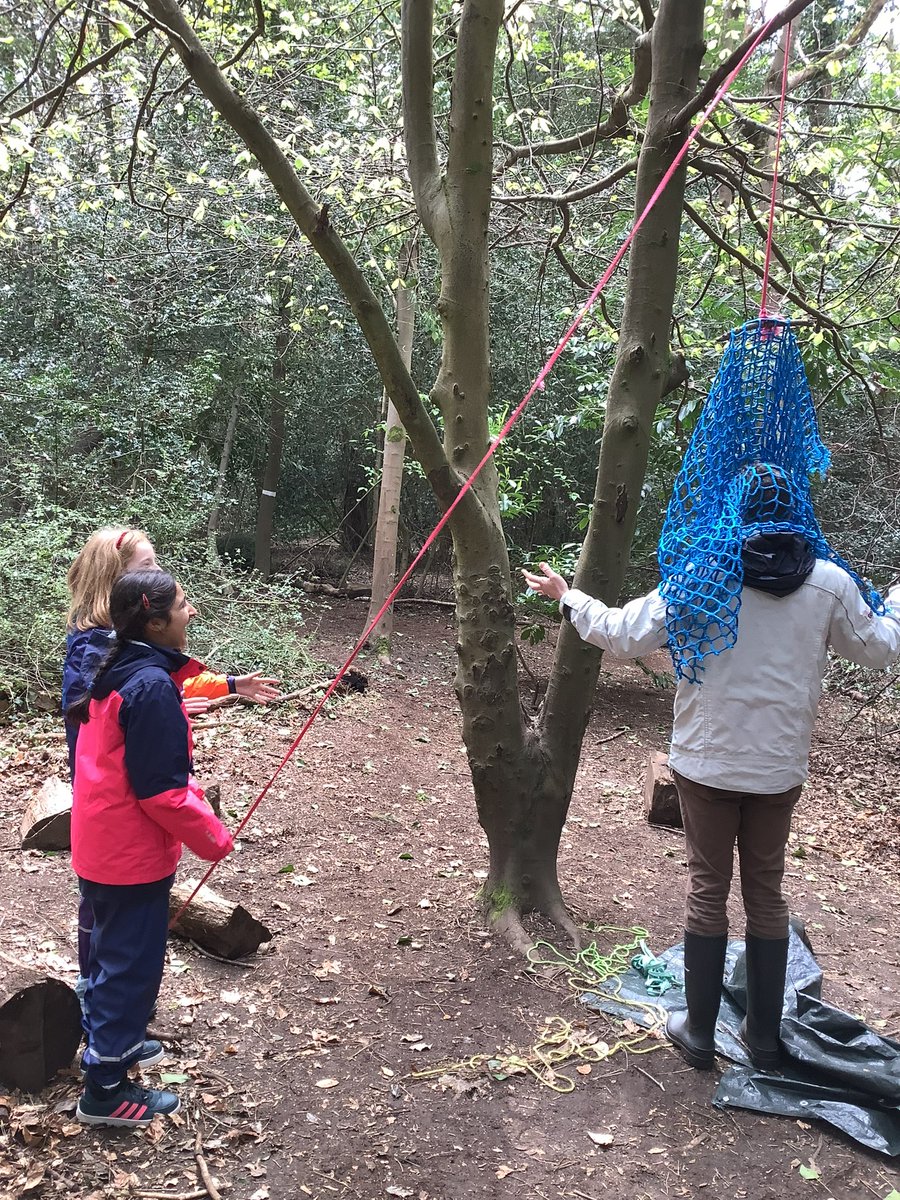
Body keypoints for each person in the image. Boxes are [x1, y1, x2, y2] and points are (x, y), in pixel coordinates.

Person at [523, 463, 900, 1072]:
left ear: (734, 509)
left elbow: (622, 634)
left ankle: (699, 1034)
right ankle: (766, 1037)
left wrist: (569, 597)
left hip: (705, 760)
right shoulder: (829, 584)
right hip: (778, 768)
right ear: (796, 507)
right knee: (766, 894)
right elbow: (879, 648)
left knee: (707, 888)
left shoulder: (703, 572)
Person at [64, 526, 279, 1000]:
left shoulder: (130, 646)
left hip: (116, 806)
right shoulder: (96, 645)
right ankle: (100, 1010)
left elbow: (160, 682)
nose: (157, 572)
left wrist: (227, 685)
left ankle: (106, 1011)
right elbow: (125, 708)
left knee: (117, 916)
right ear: (122, 585)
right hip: (110, 804)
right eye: (147, 568)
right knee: (110, 918)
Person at [68, 570, 234, 1126]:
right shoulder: (149, 686)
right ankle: (105, 1092)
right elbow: (162, 794)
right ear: (155, 621)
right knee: (129, 968)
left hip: (103, 843)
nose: (192, 612)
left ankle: (111, 1044)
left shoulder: (119, 667)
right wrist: (215, 838)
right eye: (183, 605)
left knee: (115, 956)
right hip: (128, 856)